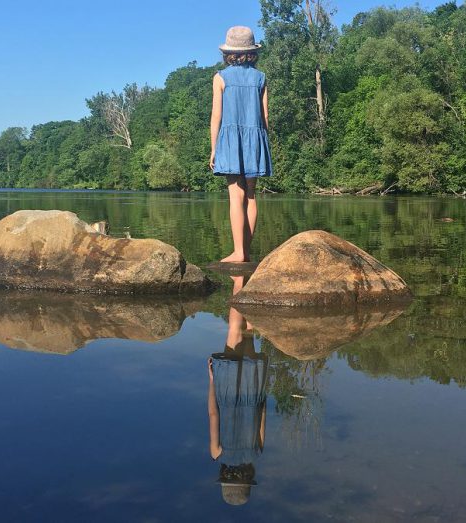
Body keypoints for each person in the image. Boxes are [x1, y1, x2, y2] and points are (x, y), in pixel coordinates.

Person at [209, 26, 273, 263]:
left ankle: (238, 253)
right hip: (255, 139)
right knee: (251, 195)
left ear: (228, 52)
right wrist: (262, 144)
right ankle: (246, 251)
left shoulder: (220, 78)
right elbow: (265, 118)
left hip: (230, 141)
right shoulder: (261, 78)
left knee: (235, 197)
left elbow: (216, 116)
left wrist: (214, 148)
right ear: (251, 51)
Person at [207, 275, 268, 505]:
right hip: (227, 389)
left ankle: (251, 284)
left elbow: (262, 413)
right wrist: (213, 380)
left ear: (249, 479)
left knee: (250, 336)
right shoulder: (217, 453)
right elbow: (214, 414)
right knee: (234, 330)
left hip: (253, 390)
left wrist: (263, 385)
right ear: (224, 478)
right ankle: (238, 281)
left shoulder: (257, 452)